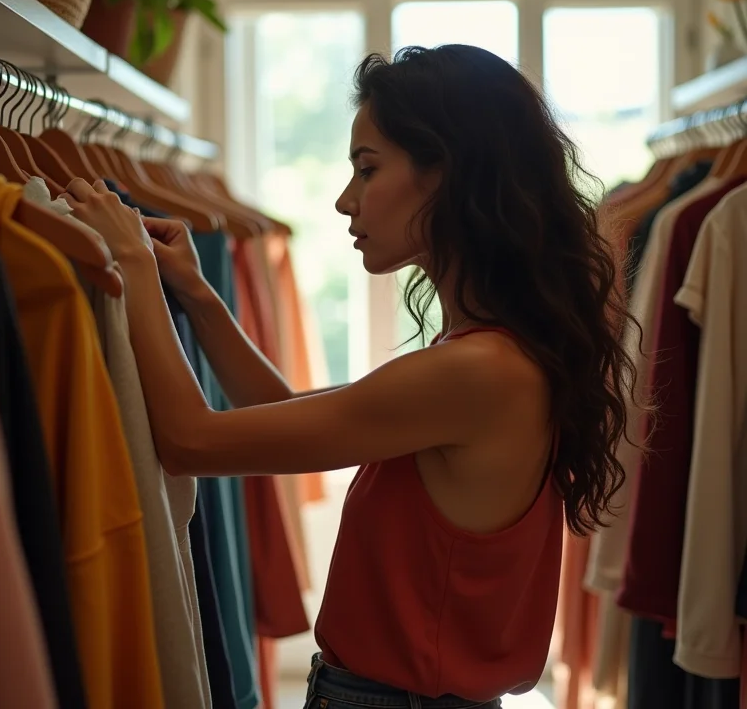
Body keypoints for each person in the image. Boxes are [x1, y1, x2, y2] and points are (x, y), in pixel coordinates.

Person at [64, 44, 634, 709]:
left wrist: (132, 269)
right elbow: (279, 412)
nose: (344, 201)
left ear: (447, 176)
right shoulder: (489, 355)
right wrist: (197, 294)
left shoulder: (476, 371)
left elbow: (192, 441)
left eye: (367, 170)